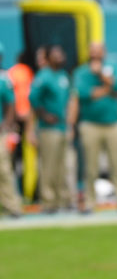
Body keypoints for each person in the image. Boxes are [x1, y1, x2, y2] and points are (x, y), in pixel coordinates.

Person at [73, 43, 117, 213]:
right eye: (93, 51)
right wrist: (108, 89)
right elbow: (84, 94)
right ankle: (89, 202)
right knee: (90, 167)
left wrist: (101, 76)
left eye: (99, 51)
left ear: (104, 52)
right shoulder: (81, 72)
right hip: (90, 124)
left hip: (113, 123)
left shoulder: (114, 67)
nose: (96, 54)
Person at [29, 45, 71, 213]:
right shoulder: (43, 75)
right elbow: (33, 98)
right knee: (48, 165)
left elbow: (68, 100)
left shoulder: (63, 75)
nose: (60, 56)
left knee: (62, 166)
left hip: (62, 127)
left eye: (61, 53)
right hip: (48, 128)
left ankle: (62, 200)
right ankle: (48, 201)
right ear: (48, 58)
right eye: (56, 54)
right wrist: (44, 115)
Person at [0, 43, 22, 217]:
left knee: (3, 169)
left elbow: (11, 105)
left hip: (0, 132)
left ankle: (12, 206)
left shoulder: (3, 79)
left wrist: (6, 125)